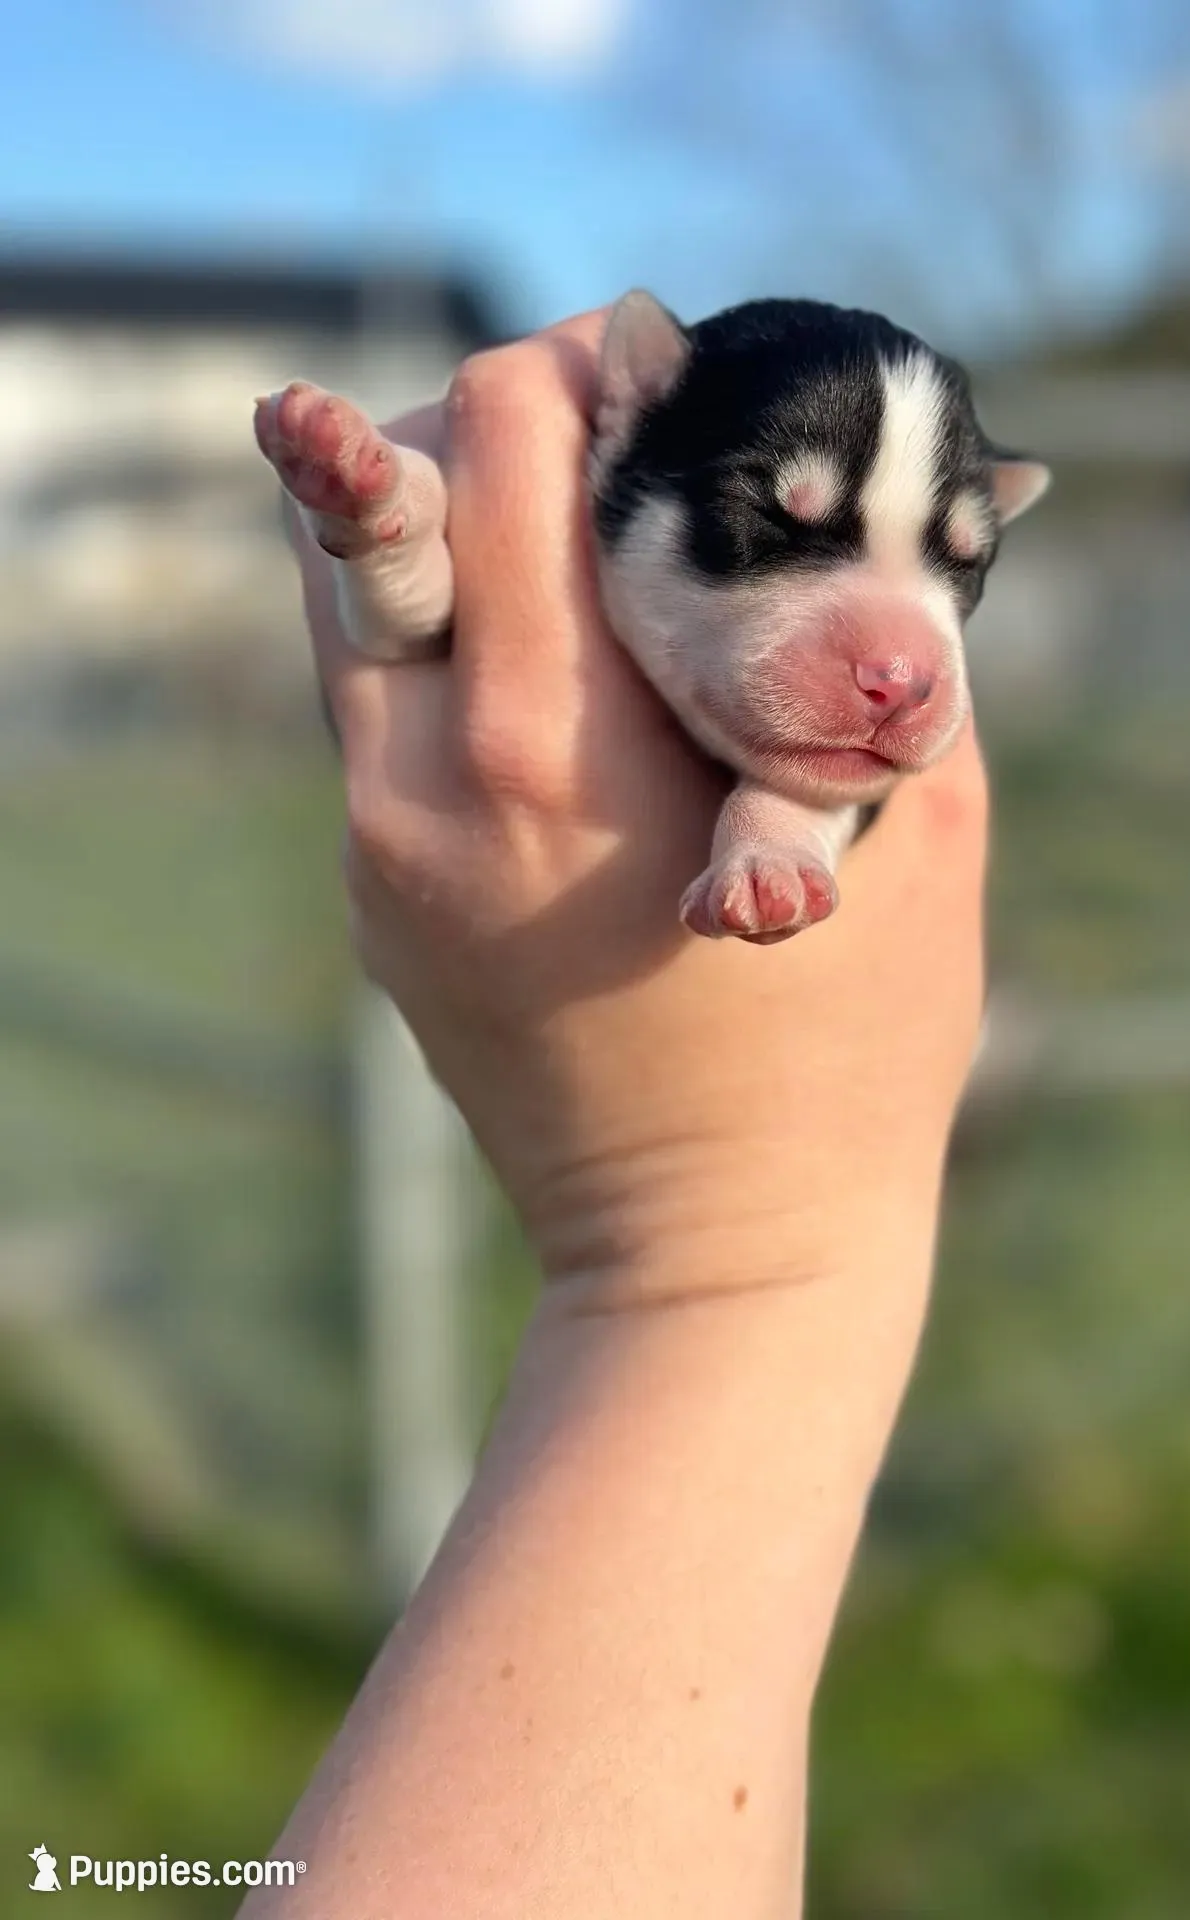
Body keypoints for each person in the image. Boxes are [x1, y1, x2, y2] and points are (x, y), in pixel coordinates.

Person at [240, 306, 989, 1920]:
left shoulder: (834, 703)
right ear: (634, 419)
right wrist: (394, 538)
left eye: (953, 561)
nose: (902, 646)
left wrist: (782, 806)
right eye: (783, 531)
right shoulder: (599, 468)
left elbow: (840, 787)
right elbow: (425, 621)